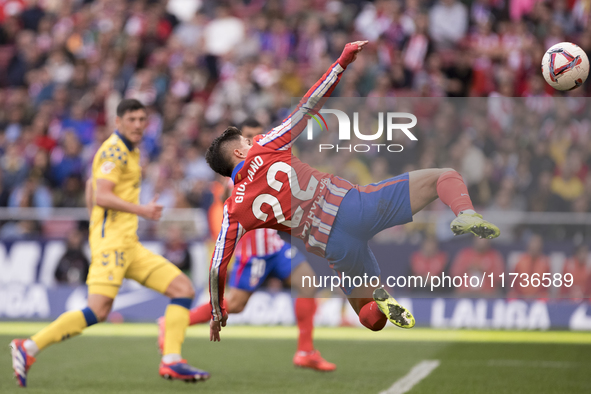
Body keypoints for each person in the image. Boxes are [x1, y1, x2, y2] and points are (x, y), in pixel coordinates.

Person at [204, 41, 500, 341]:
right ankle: (465, 213)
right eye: (246, 142)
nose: (252, 142)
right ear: (240, 155)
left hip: (332, 246)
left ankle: (379, 302)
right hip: (353, 207)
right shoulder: (267, 146)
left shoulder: (233, 210)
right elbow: (308, 104)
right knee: (444, 176)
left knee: (368, 316)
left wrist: (217, 311)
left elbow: (217, 266)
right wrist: (342, 62)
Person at [11, 99, 210, 387]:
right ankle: (28, 347)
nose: (138, 125)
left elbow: (93, 186)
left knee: (183, 289)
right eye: (132, 119)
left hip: (129, 244)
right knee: (97, 311)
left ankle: (172, 360)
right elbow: (102, 195)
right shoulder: (114, 150)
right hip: (113, 245)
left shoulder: (131, 151)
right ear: (118, 122)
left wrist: (99, 216)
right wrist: (139, 211)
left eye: (142, 119)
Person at [158, 119, 336, 371]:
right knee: (238, 304)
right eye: (250, 138)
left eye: (256, 136)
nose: (256, 140)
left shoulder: (265, 157)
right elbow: (226, 199)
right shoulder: (236, 179)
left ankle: (305, 351)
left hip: (274, 245)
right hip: (253, 253)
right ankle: (174, 323)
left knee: (307, 282)